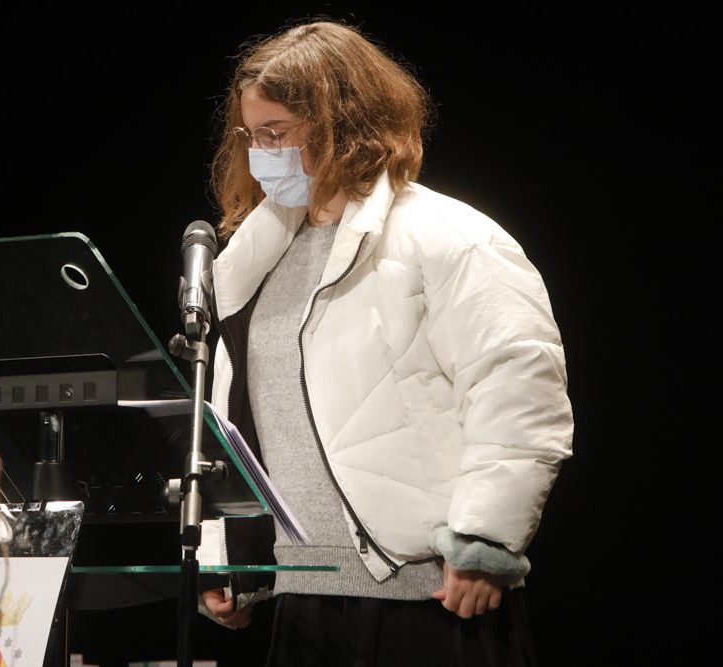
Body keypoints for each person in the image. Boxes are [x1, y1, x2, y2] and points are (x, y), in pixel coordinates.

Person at [195, 18, 574, 667]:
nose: (261, 155)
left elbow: (518, 390)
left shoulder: (450, 238)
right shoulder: (250, 263)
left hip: (427, 598)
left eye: (277, 135)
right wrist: (222, 556)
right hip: (300, 599)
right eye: (252, 137)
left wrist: (484, 539)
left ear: (342, 127)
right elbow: (230, 422)